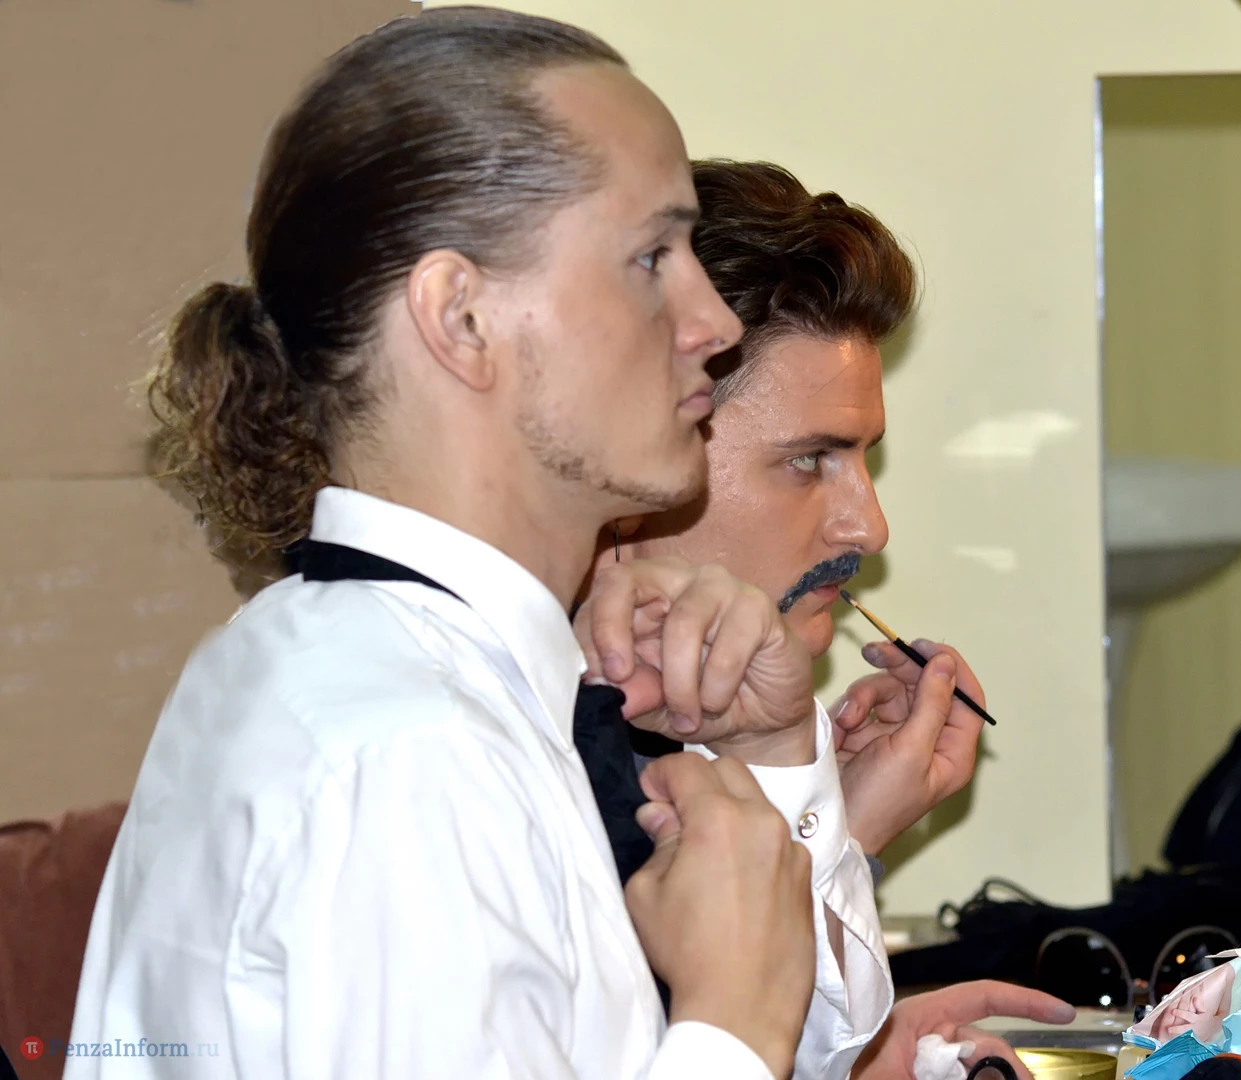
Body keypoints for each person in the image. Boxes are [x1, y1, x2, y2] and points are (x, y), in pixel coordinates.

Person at [68, 10, 873, 1079]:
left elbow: (806, 1050)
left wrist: (763, 755)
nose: (714, 322)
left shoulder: (416, 684)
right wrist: (732, 1024)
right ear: (460, 319)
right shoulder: (404, 756)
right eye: (652, 257)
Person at [585, 161, 1074, 1077]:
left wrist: (842, 829)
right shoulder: (514, 754)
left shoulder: (692, 737)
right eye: (810, 460)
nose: (868, 528)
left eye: (863, 461)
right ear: (644, 449)